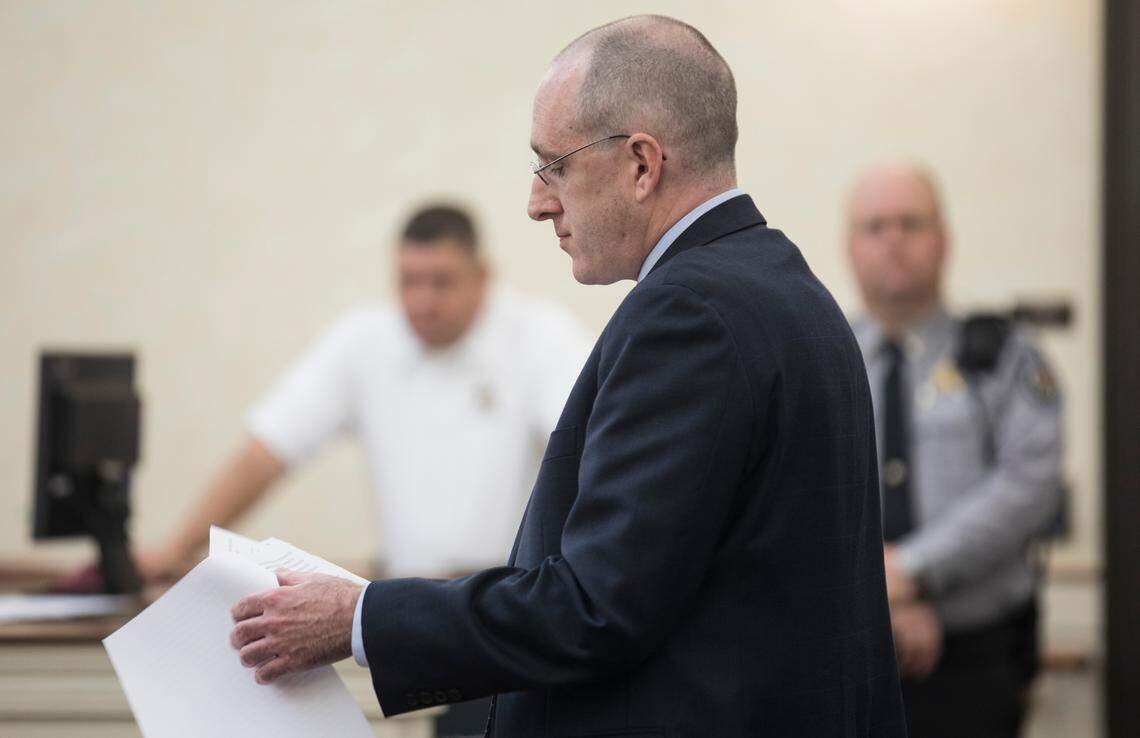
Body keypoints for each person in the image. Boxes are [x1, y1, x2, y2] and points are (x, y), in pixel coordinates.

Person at [230, 16, 906, 737]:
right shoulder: (789, 288)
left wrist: (360, 618)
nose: (537, 201)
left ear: (642, 164)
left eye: (554, 165)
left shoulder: (688, 315)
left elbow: (595, 608)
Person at [130, 203, 588, 585]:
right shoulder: (363, 341)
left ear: (482, 275)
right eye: (409, 281)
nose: (423, 301)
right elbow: (266, 450)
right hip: (405, 593)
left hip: (509, 593)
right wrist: (176, 550)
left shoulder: (541, 337)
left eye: (442, 281)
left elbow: (589, 452)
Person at [846, 164, 1063, 737]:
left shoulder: (1003, 356)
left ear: (943, 239)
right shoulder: (825, 360)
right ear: (849, 246)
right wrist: (882, 598)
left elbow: (1028, 485)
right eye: (875, 226)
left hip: (974, 659)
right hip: (853, 658)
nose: (893, 240)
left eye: (910, 223)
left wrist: (911, 574)